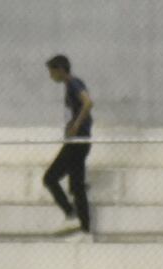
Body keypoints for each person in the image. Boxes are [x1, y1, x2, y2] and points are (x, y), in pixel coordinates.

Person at [43, 54, 93, 234]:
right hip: (78, 141)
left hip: (78, 142)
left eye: (51, 72)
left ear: (60, 70)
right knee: (77, 186)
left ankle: (71, 215)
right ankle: (84, 228)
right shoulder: (71, 85)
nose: (50, 76)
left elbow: (88, 103)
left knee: (50, 178)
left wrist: (76, 126)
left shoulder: (73, 83)